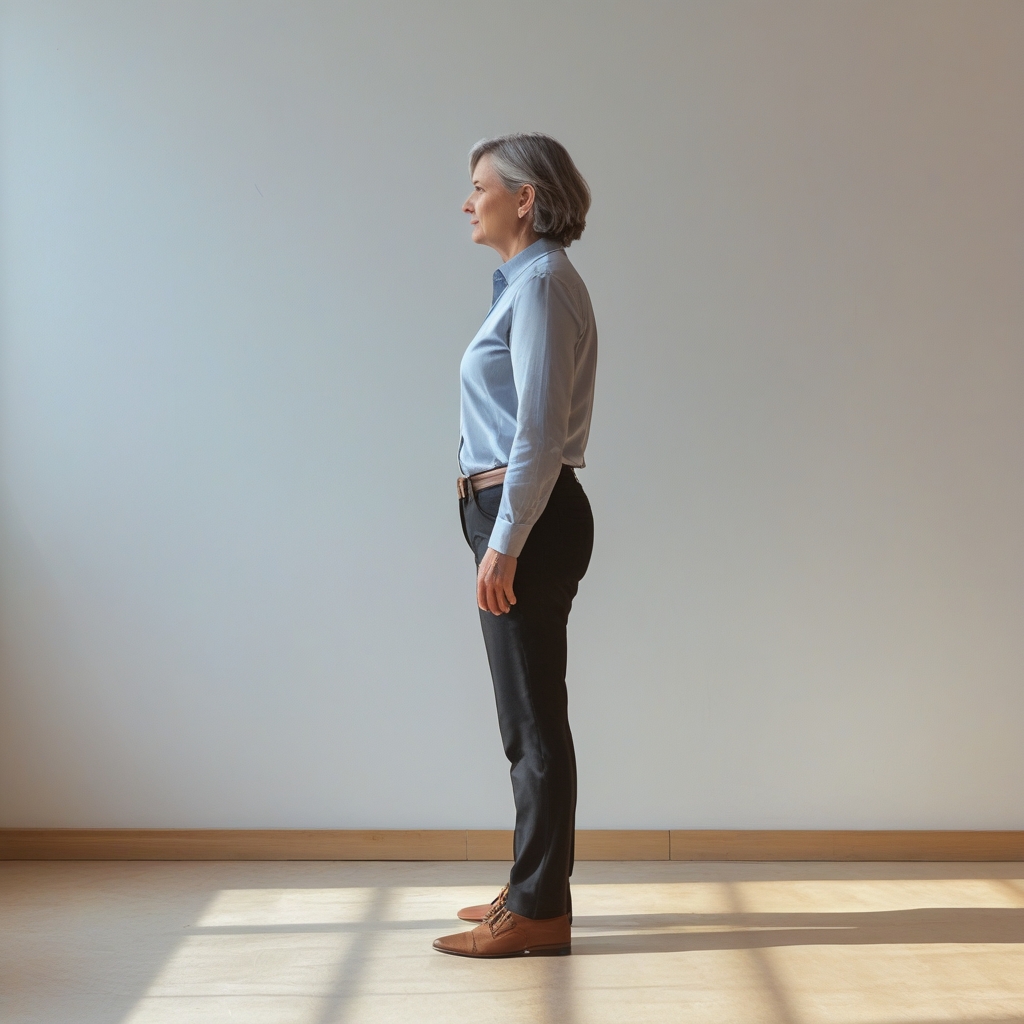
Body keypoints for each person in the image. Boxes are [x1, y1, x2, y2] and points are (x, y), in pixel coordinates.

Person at [432, 133, 597, 958]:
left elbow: (535, 432)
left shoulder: (541, 287)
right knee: (526, 718)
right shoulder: (527, 285)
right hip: (512, 510)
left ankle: (538, 910)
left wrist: (505, 543)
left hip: (523, 514)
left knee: (531, 723)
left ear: (525, 199)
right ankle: (533, 888)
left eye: (481, 186)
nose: (469, 201)